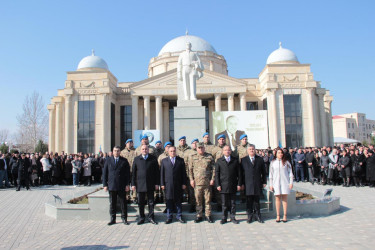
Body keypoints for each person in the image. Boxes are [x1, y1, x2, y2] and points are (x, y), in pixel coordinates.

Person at [132, 145, 160, 225]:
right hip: (140, 184)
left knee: (151, 202)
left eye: (146, 149)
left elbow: (157, 172)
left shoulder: (153, 158)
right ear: (141, 150)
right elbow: (133, 173)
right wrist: (133, 184)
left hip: (150, 184)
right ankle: (141, 218)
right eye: (143, 149)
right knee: (141, 202)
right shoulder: (137, 159)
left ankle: (151, 217)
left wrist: (157, 183)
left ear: (148, 150)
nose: (144, 150)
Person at [103, 146, 131, 225]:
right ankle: (113, 219)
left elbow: (127, 174)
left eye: (118, 151)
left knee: (123, 203)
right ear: (112, 151)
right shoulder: (108, 160)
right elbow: (105, 173)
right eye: (115, 151)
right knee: (112, 203)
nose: (116, 152)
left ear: (120, 152)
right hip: (112, 185)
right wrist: (105, 184)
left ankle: (124, 218)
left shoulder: (124, 161)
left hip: (121, 185)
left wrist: (127, 184)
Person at [188, 142, 215, 223]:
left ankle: (208, 215)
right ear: (196, 148)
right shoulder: (193, 157)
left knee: (207, 200)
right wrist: (191, 180)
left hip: (207, 183)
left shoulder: (209, 157)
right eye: (199, 148)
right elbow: (190, 170)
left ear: (204, 148)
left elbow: (214, 169)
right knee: (198, 200)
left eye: (202, 148)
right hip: (197, 183)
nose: (200, 149)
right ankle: (199, 215)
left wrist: (212, 179)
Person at [215, 145, 241, 224]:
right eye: (225, 150)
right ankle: (224, 217)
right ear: (223, 151)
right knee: (224, 203)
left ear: (231, 151)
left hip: (233, 185)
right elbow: (217, 174)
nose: (227, 151)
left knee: (233, 203)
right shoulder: (219, 161)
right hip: (223, 185)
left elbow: (239, 174)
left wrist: (239, 184)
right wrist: (218, 185)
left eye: (229, 150)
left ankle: (232, 217)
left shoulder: (235, 160)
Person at [240, 144, 267, 223]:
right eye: (250, 149)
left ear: (255, 150)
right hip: (247, 183)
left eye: (253, 149)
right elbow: (241, 173)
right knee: (249, 201)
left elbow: (264, 172)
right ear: (247, 151)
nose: (251, 150)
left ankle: (258, 215)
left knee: (257, 201)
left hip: (257, 183)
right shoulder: (243, 160)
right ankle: (250, 216)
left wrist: (264, 181)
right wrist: (241, 183)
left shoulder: (260, 159)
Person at [160, 146, 187, 224]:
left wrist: (184, 183)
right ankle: (169, 217)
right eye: (171, 151)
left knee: (178, 201)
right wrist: (162, 184)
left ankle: (179, 216)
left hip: (178, 184)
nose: (172, 152)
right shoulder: (164, 161)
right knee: (169, 201)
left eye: (174, 151)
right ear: (168, 152)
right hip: (168, 185)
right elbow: (162, 173)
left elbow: (184, 173)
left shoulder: (180, 160)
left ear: (176, 151)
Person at [269, 149, 294, 223]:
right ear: (276, 154)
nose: (280, 154)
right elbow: (271, 174)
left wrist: (291, 182)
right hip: (276, 183)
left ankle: (285, 215)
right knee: (277, 199)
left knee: (284, 199)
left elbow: (290, 173)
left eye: (281, 153)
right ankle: (278, 215)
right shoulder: (273, 163)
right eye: (278, 153)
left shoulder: (286, 163)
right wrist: (271, 184)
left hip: (284, 182)